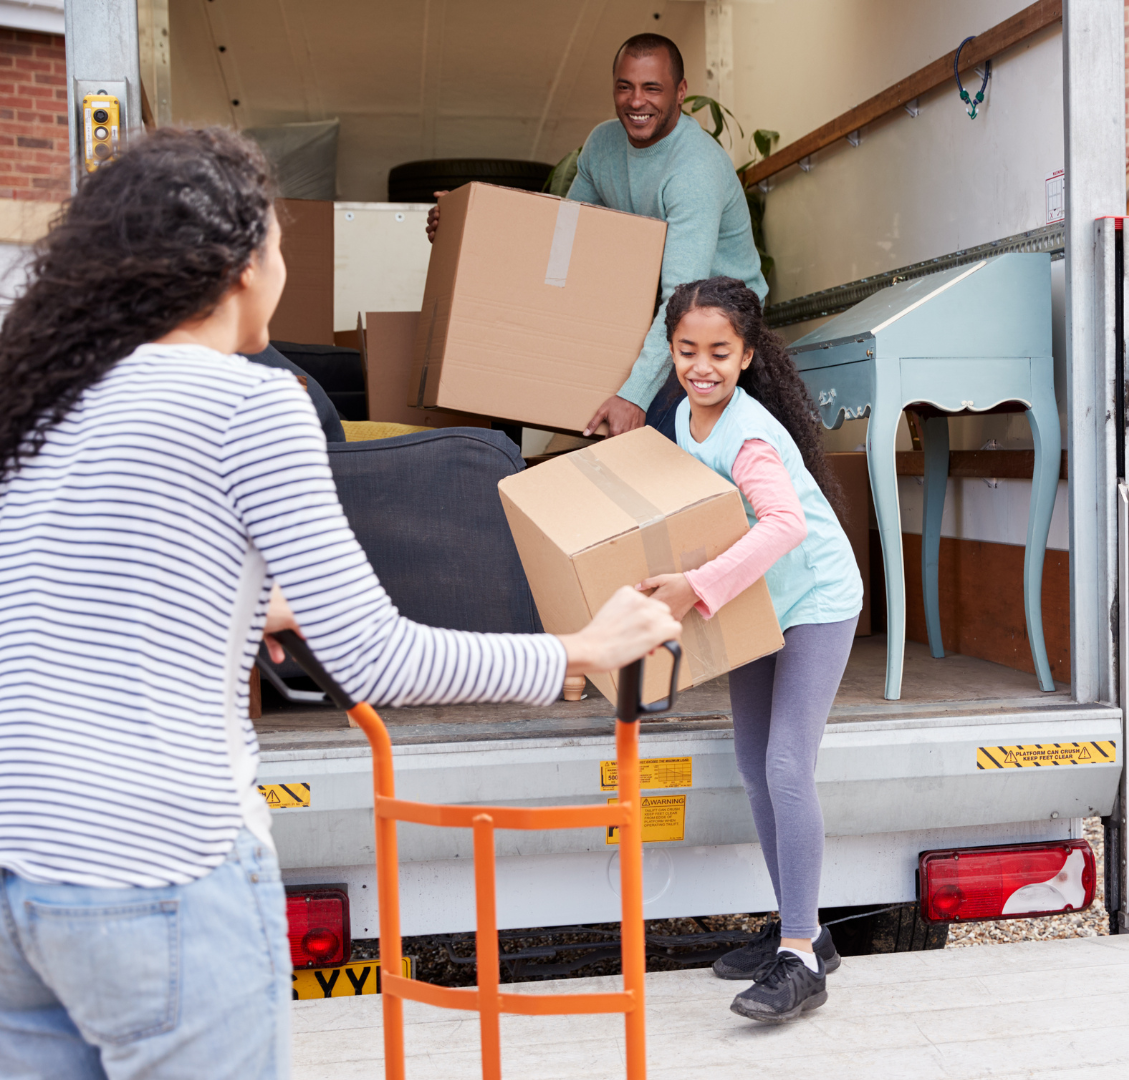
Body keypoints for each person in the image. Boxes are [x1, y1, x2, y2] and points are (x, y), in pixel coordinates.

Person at [0, 128, 680, 1080]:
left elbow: (84, 594)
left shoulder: (38, 395)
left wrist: (246, 609)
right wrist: (579, 649)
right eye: (278, 242)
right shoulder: (251, 403)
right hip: (162, 872)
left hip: (21, 876)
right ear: (242, 265)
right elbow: (375, 657)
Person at [637, 277, 861, 1023]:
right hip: (757, 599)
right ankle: (804, 930)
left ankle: (799, 956)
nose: (702, 365)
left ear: (747, 355)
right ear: (670, 351)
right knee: (751, 763)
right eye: (687, 350)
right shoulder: (681, 419)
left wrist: (695, 587)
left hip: (816, 601)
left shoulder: (751, 433)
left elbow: (784, 525)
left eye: (720, 352)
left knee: (787, 765)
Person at [425, 32, 766, 442]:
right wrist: (467, 228)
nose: (636, 101)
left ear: (680, 92)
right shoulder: (602, 144)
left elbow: (683, 298)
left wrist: (634, 396)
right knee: (540, 403)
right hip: (649, 316)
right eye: (625, 87)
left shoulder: (693, 169)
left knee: (639, 437)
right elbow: (565, 235)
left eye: (651, 88)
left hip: (718, 327)